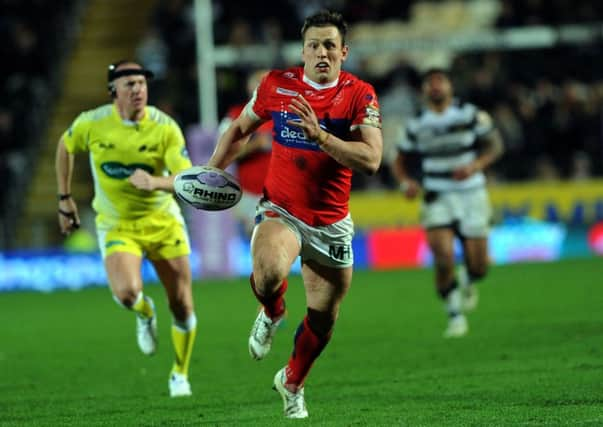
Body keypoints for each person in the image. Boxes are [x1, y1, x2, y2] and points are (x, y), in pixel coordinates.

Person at [204, 10, 382, 419]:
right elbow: (238, 129)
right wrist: (214, 168)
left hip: (332, 222)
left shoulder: (359, 95)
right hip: (282, 209)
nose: (322, 53)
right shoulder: (276, 86)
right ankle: (271, 311)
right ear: (302, 50)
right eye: (314, 45)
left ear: (344, 52)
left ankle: (292, 382)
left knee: (323, 323)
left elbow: (371, 159)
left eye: (330, 46)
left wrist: (320, 135)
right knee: (268, 271)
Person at [55, 60, 198, 397]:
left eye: (142, 84)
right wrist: (64, 198)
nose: (138, 90)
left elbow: (186, 177)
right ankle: (145, 313)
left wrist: (155, 181)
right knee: (126, 294)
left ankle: (180, 373)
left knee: (182, 304)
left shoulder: (165, 127)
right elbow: (65, 146)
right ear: (113, 92)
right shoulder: (92, 123)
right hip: (118, 223)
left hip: (163, 222)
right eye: (130, 84)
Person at [391, 68, 504, 338]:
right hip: (437, 194)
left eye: (440, 81)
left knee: (479, 267)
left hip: (471, 193)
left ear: (451, 86)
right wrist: (406, 182)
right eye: (430, 83)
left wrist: (475, 165)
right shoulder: (416, 123)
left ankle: (467, 280)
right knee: (443, 258)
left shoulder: (468, 113)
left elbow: (495, 145)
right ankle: (455, 317)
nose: (436, 87)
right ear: (424, 90)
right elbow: (399, 160)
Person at [217, 69, 272, 236]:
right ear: (251, 87)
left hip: (281, 194)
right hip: (249, 194)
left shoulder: (287, 115)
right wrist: (255, 145)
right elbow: (223, 152)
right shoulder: (236, 115)